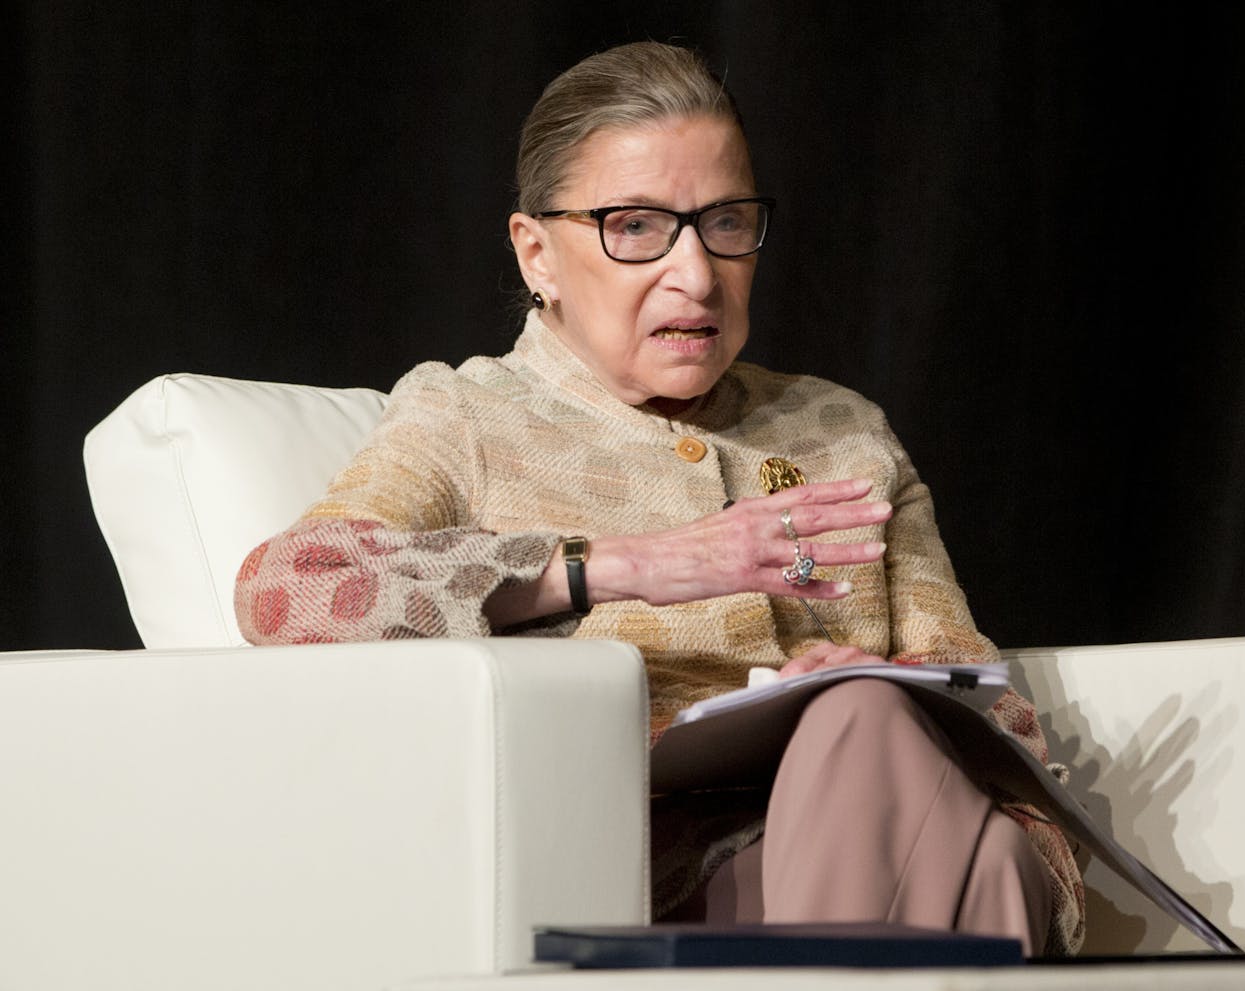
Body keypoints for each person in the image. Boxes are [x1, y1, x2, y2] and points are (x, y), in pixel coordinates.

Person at [235, 41, 1084, 956]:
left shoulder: (840, 428)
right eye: (635, 227)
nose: (697, 272)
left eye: (725, 221)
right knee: (933, 801)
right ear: (537, 256)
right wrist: (625, 566)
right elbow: (289, 589)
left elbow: (972, 686)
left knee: (941, 790)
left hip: (893, 827)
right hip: (655, 877)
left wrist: (860, 697)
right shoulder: (469, 414)